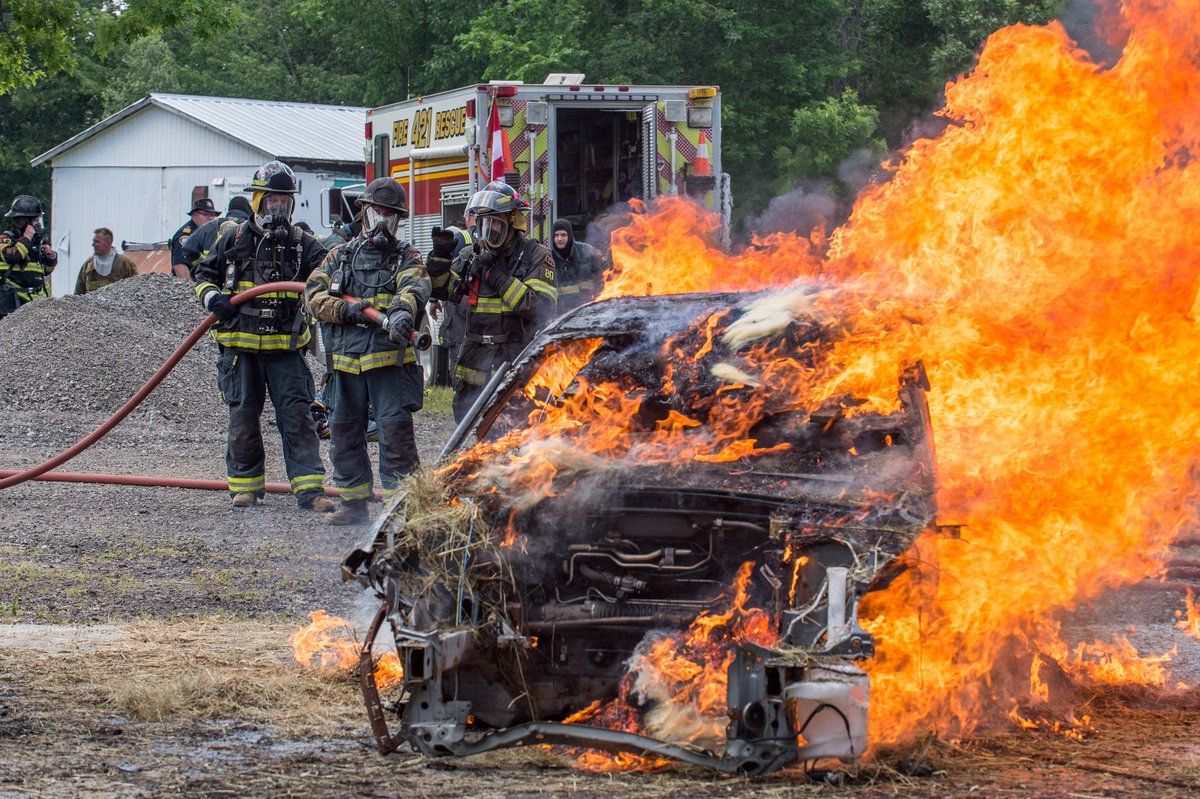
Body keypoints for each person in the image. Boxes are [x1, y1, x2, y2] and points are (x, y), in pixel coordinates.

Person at [192, 160, 334, 512]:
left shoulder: (302, 244)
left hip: (286, 351)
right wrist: (214, 298)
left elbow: (332, 271)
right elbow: (202, 273)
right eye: (271, 202)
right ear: (257, 201)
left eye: (284, 203)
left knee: (298, 419)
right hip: (240, 350)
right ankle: (245, 488)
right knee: (243, 419)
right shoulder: (234, 238)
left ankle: (310, 490)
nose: (278, 210)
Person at [305, 176, 430, 525]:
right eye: (379, 214)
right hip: (345, 364)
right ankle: (353, 504)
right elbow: (313, 295)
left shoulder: (407, 256)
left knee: (396, 436)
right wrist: (346, 310)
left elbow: (415, 286)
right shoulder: (340, 256)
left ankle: (401, 508)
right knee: (344, 433)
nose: (384, 223)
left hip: (389, 363)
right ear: (364, 213)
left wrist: (404, 312)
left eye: (391, 216)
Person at [427, 181, 557, 420]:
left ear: (513, 222)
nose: (489, 232)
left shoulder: (535, 256)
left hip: (516, 356)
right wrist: (439, 263)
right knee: (468, 426)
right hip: (475, 358)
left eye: (495, 223)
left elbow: (540, 307)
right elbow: (444, 292)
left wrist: (498, 278)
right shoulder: (471, 255)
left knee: (518, 425)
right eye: (484, 224)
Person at [426, 218, 474, 385]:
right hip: (462, 303)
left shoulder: (462, 238)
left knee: (460, 354)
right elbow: (445, 283)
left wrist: (433, 300)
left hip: (462, 308)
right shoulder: (468, 244)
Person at [0, 195, 57, 319]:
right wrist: (27, 238)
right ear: (25, 221)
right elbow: (12, 256)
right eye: (36, 221)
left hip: (36, 304)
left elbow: (44, 271)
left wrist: (50, 257)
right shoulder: (5, 239)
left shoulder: (34, 242)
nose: (39, 226)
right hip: (12, 303)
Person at [179, 196, 254, 277]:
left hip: (211, 279)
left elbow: (188, 249)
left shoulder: (208, 227)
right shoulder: (251, 228)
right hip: (241, 280)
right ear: (248, 211)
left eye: (212, 214)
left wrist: (202, 264)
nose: (210, 217)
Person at [550, 218, 606, 313]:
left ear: (570, 236)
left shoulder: (587, 251)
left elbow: (606, 273)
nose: (559, 239)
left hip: (588, 311)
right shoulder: (549, 259)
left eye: (563, 235)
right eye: (556, 235)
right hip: (561, 316)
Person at [74, 228, 137, 294]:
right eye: (93, 241)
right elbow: (79, 291)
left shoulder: (124, 264)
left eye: (97, 242)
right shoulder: (89, 264)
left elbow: (136, 289)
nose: (93, 245)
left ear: (107, 243)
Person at [170, 197, 219, 279]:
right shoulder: (185, 235)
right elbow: (179, 265)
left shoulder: (208, 233)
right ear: (194, 215)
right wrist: (189, 288)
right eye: (205, 214)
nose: (210, 218)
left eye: (213, 215)